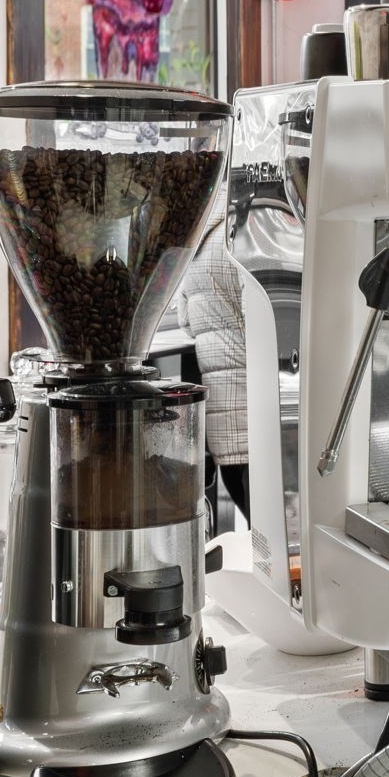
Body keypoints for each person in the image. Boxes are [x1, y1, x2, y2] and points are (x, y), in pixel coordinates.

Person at [177, 189, 249, 526]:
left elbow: (186, 323)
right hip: (265, 420)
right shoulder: (246, 235)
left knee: (258, 533)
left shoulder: (195, 247)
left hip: (226, 428)